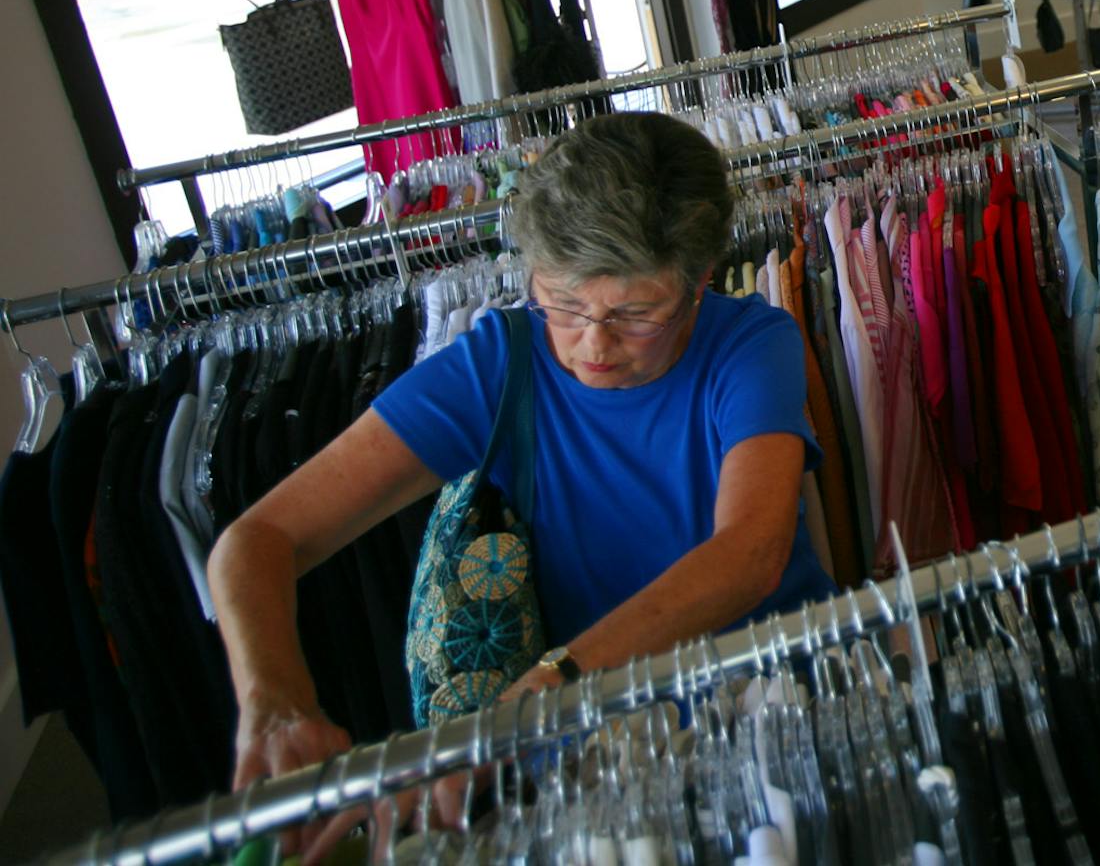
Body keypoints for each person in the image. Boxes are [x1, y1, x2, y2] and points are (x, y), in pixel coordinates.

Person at [208, 112, 834, 827]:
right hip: (604, 761)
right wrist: (274, 699)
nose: (592, 344)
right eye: (564, 303)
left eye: (635, 312)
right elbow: (255, 542)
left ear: (697, 284)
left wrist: (546, 686)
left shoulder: (752, 343)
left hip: (783, 712)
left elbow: (750, 553)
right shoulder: (501, 363)